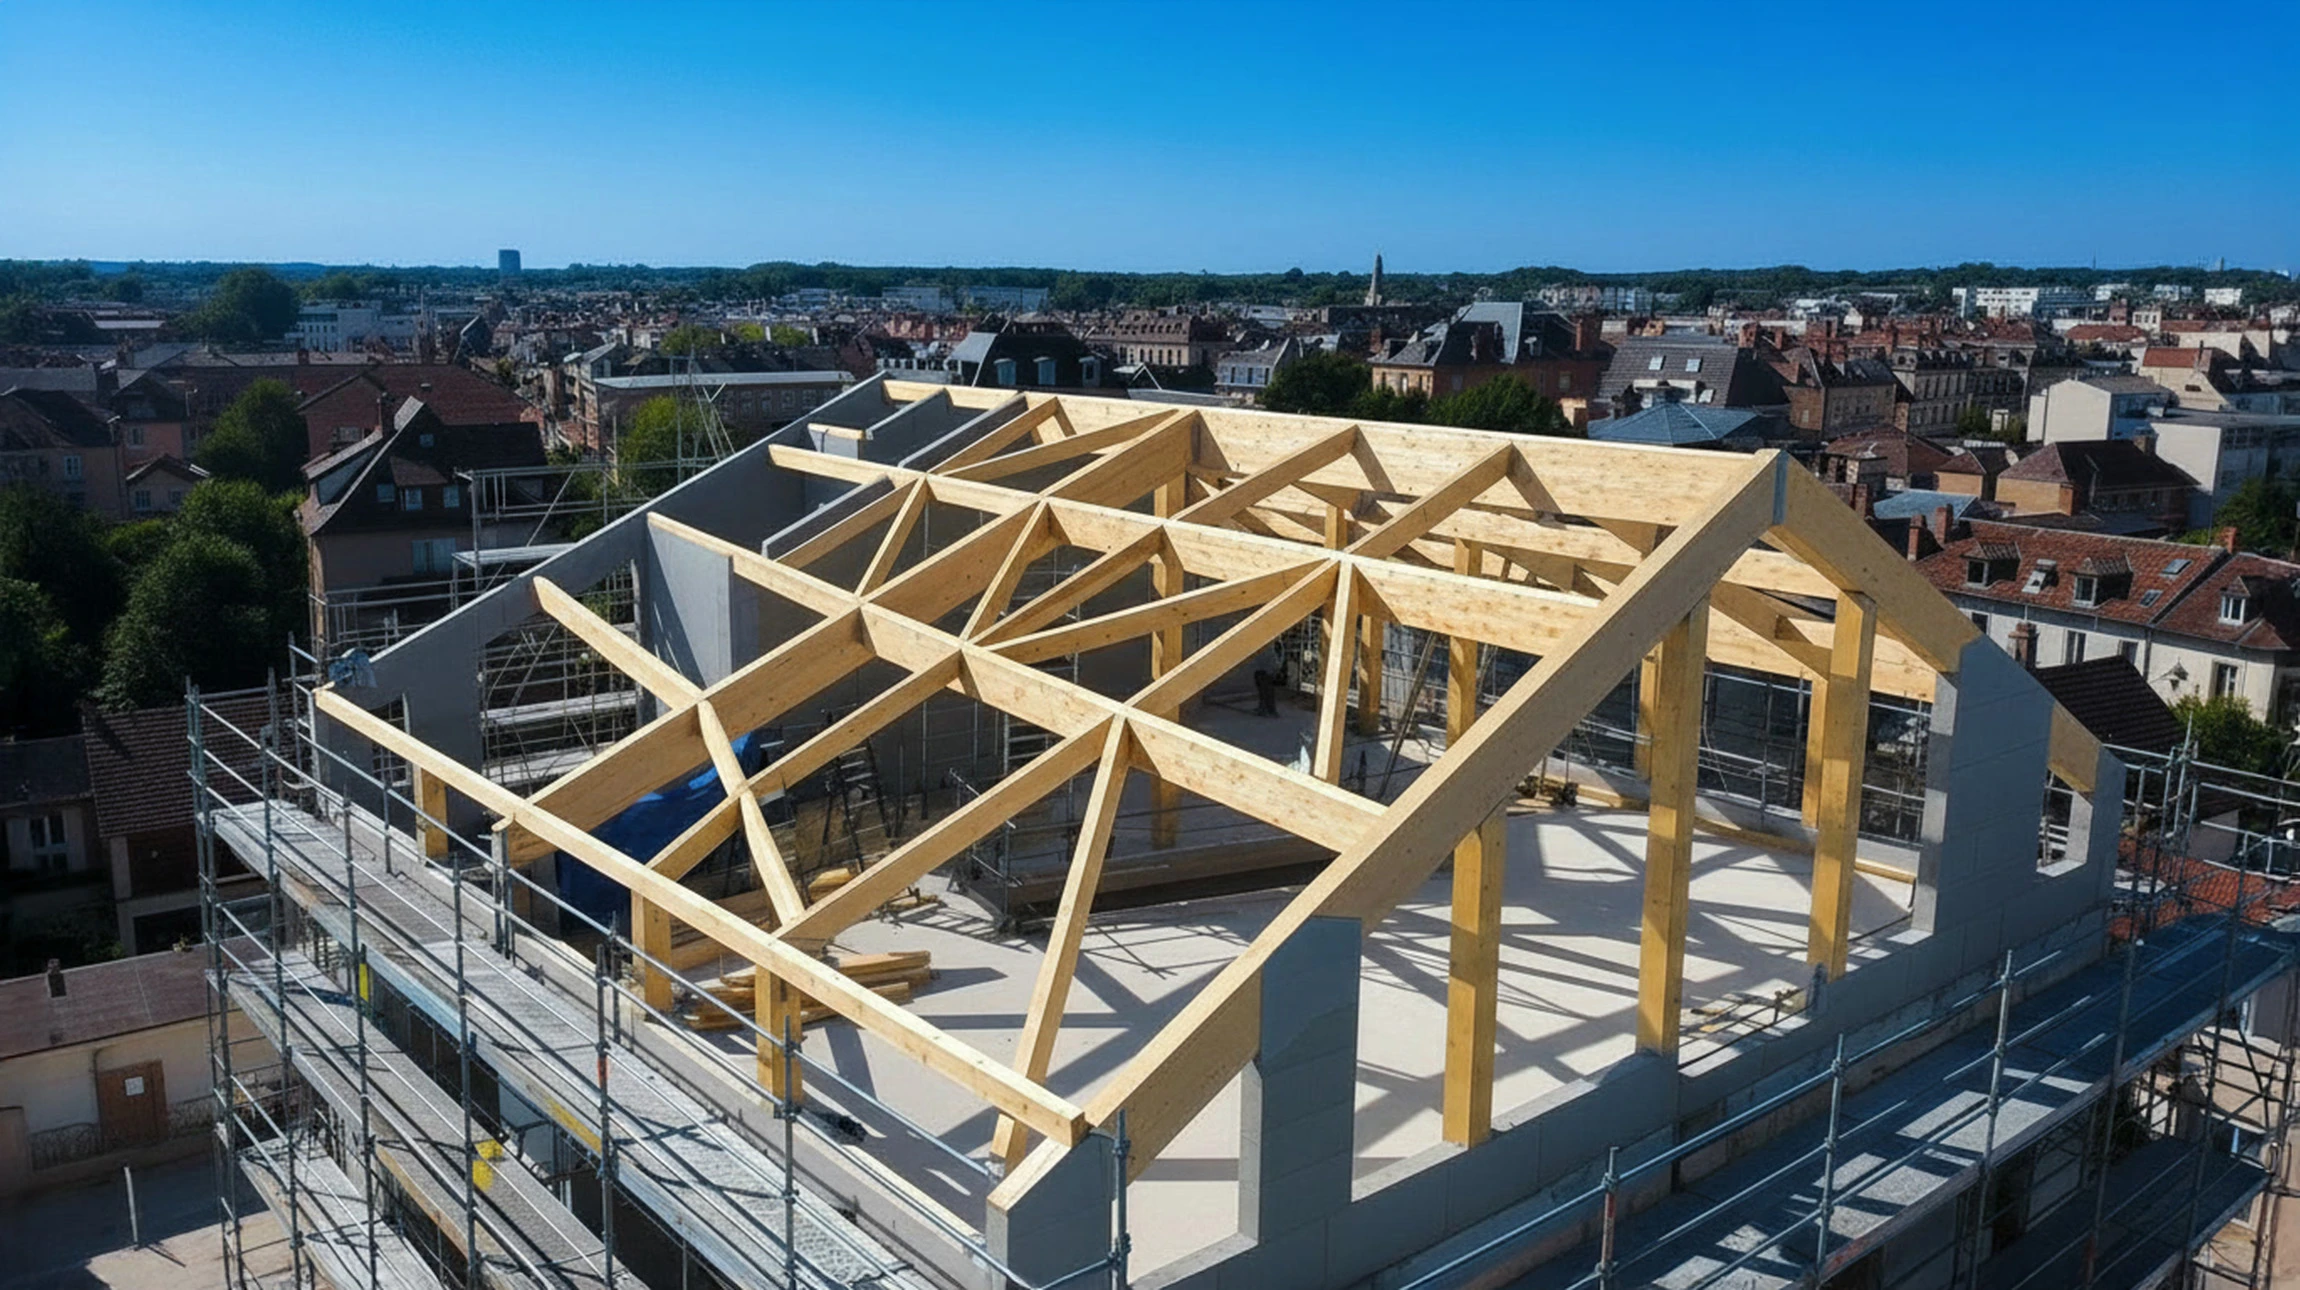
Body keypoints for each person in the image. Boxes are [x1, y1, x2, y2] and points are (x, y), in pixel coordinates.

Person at [1252, 648, 1290, 716]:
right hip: (1264, 669)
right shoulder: (1272, 647)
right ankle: (1266, 708)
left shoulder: (1271, 648)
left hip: (1266, 670)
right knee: (1265, 690)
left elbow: (1273, 658)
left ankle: (1267, 709)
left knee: (1266, 690)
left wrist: (1275, 669)